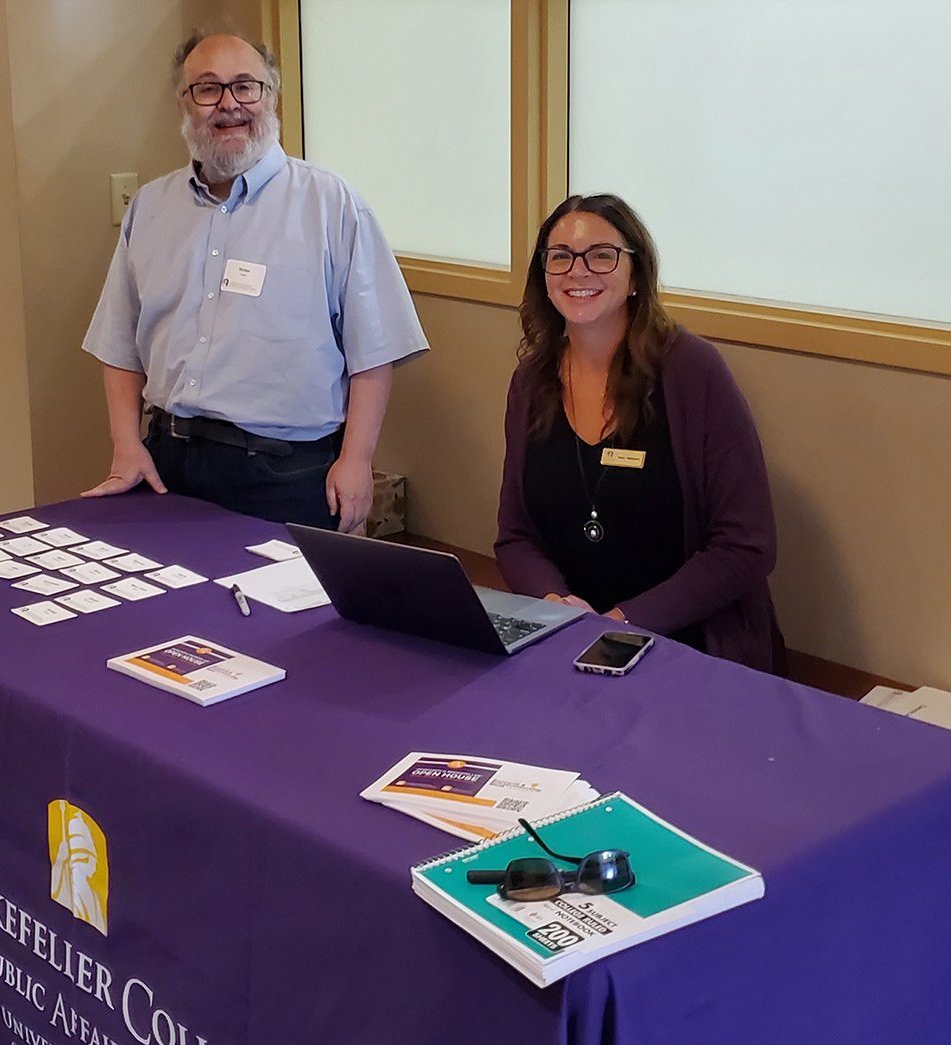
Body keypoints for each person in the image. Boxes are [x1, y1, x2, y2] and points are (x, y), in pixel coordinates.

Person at [80, 31, 427, 532]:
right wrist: (125, 444)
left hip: (286, 475)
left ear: (272, 96)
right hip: (166, 463)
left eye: (245, 86)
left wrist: (357, 460)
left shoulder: (331, 205)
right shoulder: (151, 208)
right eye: (207, 88)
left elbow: (374, 350)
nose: (229, 104)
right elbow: (120, 343)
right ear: (184, 104)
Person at [495, 194, 784, 673]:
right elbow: (516, 536)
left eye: (601, 256)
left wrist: (620, 623)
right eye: (560, 257)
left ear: (636, 276)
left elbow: (746, 545)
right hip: (566, 640)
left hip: (685, 644)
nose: (578, 271)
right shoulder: (532, 382)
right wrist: (555, 606)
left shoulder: (692, 371)